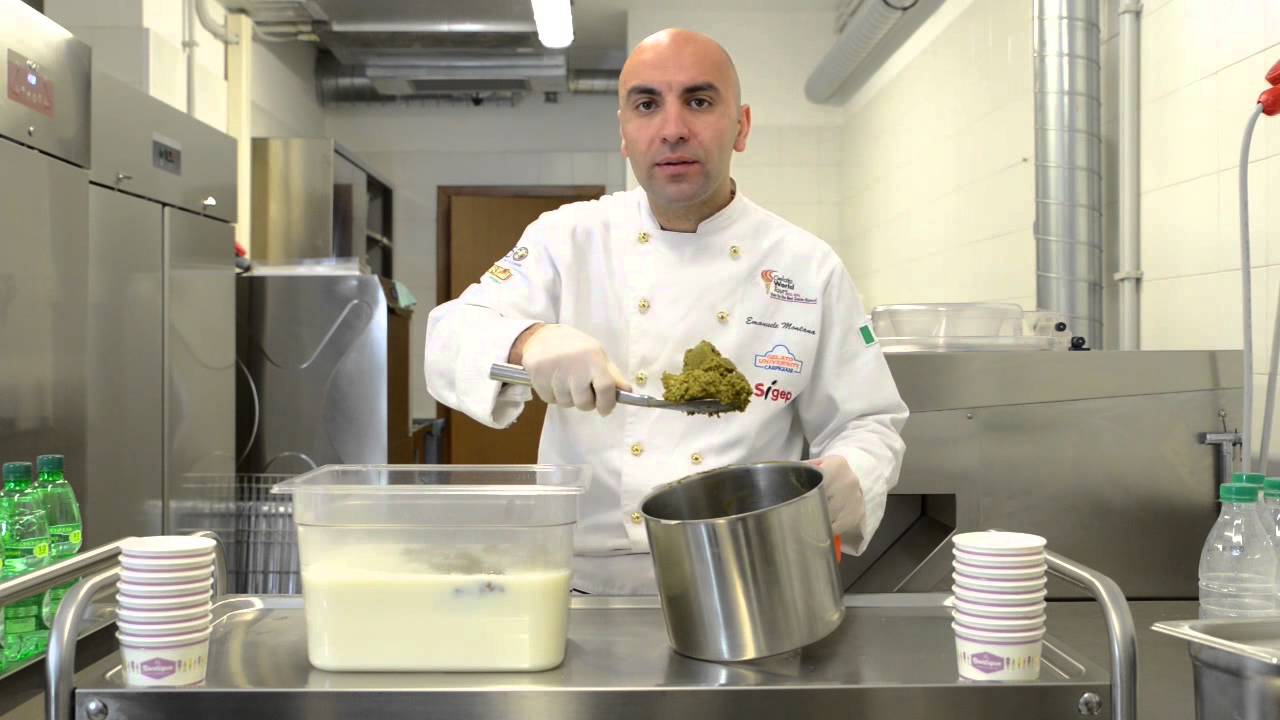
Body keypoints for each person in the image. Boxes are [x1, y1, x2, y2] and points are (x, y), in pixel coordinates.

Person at [425, 28, 908, 594]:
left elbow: (868, 421)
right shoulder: (568, 237)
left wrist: (852, 474)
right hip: (583, 582)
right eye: (647, 104)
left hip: (749, 577)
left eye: (699, 101)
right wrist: (529, 341)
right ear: (625, 134)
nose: (673, 128)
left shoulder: (808, 265)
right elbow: (448, 332)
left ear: (742, 126)